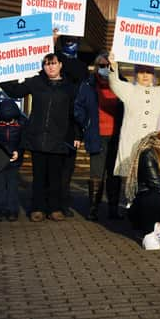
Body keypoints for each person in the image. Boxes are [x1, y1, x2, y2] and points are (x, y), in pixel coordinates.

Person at [0, 53, 80, 222]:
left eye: (54, 63)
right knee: (39, 176)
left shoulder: (70, 87)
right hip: (37, 136)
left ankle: (54, 208)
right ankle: (38, 208)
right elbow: (15, 92)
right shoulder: (36, 82)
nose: (50, 67)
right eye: (47, 64)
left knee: (56, 176)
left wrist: (77, 134)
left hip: (59, 138)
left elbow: (75, 112)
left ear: (60, 65)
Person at [108, 55, 160, 184]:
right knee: (132, 177)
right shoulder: (128, 90)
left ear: (153, 74)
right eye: (141, 71)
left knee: (152, 175)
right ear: (136, 74)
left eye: (148, 72)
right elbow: (114, 83)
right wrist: (114, 65)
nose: (145, 75)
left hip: (153, 142)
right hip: (131, 141)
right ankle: (131, 202)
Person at [74, 51, 124, 220]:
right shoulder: (87, 85)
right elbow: (78, 107)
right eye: (102, 65)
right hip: (97, 135)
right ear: (96, 67)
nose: (105, 68)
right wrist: (86, 122)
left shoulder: (121, 83)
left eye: (108, 65)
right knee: (96, 173)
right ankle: (93, 209)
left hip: (117, 137)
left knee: (114, 173)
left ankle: (113, 209)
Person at [125, 110, 160, 250]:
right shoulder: (148, 152)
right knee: (154, 196)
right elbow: (158, 187)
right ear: (159, 130)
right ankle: (149, 233)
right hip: (144, 205)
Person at [55, 32, 89, 217]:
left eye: (73, 40)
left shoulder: (82, 67)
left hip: (72, 122)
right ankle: (50, 202)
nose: (70, 43)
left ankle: (63, 202)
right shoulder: (54, 59)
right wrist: (51, 41)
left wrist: (78, 132)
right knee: (53, 166)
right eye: (66, 40)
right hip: (52, 121)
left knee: (67, 167)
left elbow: (83, 101)